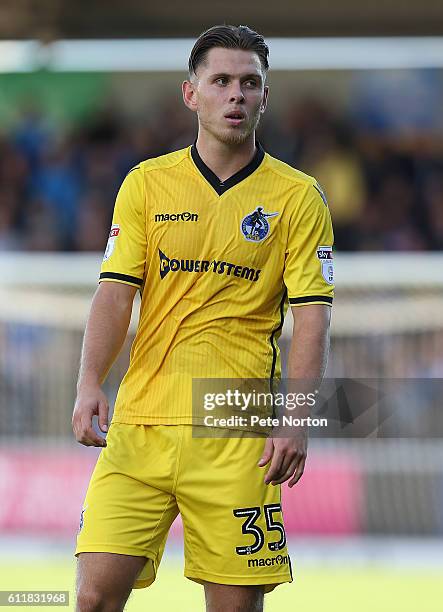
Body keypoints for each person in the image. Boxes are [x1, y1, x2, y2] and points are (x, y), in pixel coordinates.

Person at [72, 24, 334, 612]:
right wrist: (89, 382)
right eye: (221, 81)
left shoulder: (298, 197)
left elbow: (312, 317)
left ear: (266, 96)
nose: (236, 95)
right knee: (92, 599)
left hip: (235, 424)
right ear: (191, 94)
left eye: (249, 83)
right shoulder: (147, 183)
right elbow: (114, 295)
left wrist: (295, 419)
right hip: (142, 420)